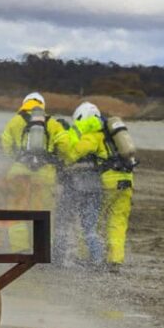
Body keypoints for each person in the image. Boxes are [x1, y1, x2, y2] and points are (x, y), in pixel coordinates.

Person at [55, 102, 135, 271]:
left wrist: (62, 144)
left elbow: (73, 153)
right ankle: (115, 261)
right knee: (117, 222)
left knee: (92, 222)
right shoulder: (112, 134)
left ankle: (89, 258)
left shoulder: (94, 133)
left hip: (108, 181)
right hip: (127, 180)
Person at [0, 92, 65, 252]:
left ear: (24, 103)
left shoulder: (15, 121)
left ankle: (20, 250)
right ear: (42, 105)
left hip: (19, 171)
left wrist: (17, 158)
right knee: (43, 213)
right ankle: (41, 251)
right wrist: (57, 160)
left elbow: (6, 145)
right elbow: (64, 145)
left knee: (17, 210)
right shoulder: (53, 123)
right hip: (45, 174)